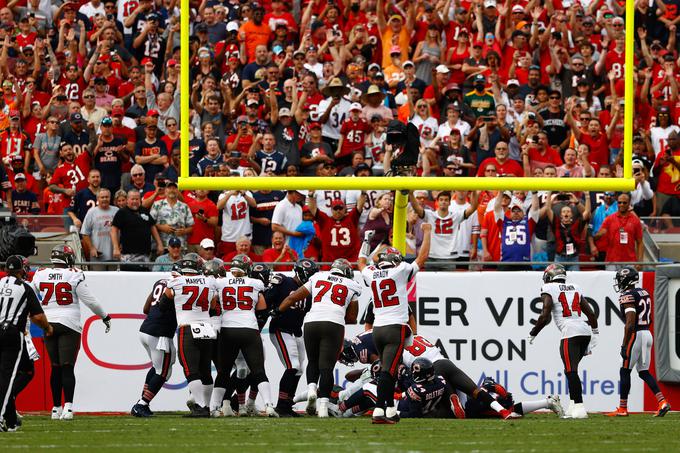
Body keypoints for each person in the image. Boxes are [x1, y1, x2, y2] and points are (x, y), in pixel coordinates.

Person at [357, 224, 431, 424]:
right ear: (395, 261)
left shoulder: (372, 273)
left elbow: (361, 262)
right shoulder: (400, 271)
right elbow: (422, 258)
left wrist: (366, 240)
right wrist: (427, 233)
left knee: (390, 368)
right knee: (388, 371)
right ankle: (379, 411)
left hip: (378, 329)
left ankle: (389, 409)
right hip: (394, 328)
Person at [32, 245, 111, 421]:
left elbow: (30, 295)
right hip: (69, 323)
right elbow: (90, 300)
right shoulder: (74, 273)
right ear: (67, 258)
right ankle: (68, 407)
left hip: (48, 323)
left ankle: (55, 408)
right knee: (67, 366)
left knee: (55, 367)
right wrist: (104, 316)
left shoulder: (41, 273)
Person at [276, 258, 361, 418]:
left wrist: (278, 311)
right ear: (347, 272)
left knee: (313, 361)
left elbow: (292, 298)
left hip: (311, 322)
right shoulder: (352, 285)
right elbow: (352, 318)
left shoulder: (317, 277)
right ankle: (322, 407)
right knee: (326, 368)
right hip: (333, 324)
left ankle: (311, 390)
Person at [208, 255, 278, 418]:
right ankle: (268, 406)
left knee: (223, 372)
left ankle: (214, 408)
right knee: (259, 371)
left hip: (228, 329)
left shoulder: (221, 283)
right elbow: (262, 307)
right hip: (249, 329)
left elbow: (213, 304)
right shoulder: (256, 283)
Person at [528, 264, 598, 419]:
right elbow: (591, 313)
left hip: (570, 332)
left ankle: (579, 408)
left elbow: (545, 315)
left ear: (549, 276)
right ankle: (573, 405)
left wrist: (533, 332)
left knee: (571, 370)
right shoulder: (575, 287)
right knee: (571, 370)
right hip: (585, 331)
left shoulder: (549, 289)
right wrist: (595, 333)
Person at [607, 267, 671, 418]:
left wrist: (624, 344)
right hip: (647, 333)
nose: (619, 282)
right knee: (643, 372)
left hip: (636, 334)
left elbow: (629, 323)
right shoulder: (643, 292)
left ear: (626, 280)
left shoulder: (627, 295)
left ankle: (622, 408)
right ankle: (662, 402)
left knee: (625, 371)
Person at [158, 253, 216, 417]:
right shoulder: (209, 281)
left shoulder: (176, 281)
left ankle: (200, 406)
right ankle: (206, 406)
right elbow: (213, 307)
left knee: (190, 369)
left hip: (187, 327)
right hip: (206, 327)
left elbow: (163, 304)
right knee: (205, 370)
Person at [0, 255, 52, 432]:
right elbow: (37, 316)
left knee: (23, 371)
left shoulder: (0, 284)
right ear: (22, 270)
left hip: (8, 332)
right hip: (12, 334)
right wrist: (47, 327)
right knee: (7, 377)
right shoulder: (24, 287)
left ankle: (11, 417)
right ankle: (4, 414)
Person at [264, 259, 318, 416]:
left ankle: (287, 403)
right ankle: (281, 405)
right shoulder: (284, 281)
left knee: (299, 370)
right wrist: (272, 310)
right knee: (292, 366)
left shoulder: (310, 290)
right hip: (281, 329)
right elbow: (267, 299)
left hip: (296, 331)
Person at [131, 272, 178, 417]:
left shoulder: (161, 282)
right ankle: (141, 404)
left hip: (145, 329)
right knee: (163, 372)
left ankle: (142, 401)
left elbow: (146, 308)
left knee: (159, 368)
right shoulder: (179, 285)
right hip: (160, 334)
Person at [411, 191, 478, 262]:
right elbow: (417, 208)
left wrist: (474, 191)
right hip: (432, 255)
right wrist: (411, 194)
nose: (443, 202)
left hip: (449, 257)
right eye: (441, 200)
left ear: (449, 203)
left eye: (446, 200)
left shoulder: (456, 216)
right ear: (437, 202)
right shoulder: (430, 214)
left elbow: (473, 207)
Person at [111, 189, 164, 271]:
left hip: (145, 255)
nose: (135, 201)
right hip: (128, 256)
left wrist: (159, 243)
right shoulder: (122, 213)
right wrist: (115, 247)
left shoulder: (144, 211)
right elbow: (114, 230)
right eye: (132, 199)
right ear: (128, 200)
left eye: (137, 199)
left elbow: (152, 226)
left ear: (140, 199)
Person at [592, 193, 643, 270]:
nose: (621, 204)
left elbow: (640, 242)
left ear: (629, 203)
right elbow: (597, 236)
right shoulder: (609, 219)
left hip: (630, 261)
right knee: (611, 282)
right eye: (619, 202)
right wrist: (597, 235)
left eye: (624, 202)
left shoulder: (635, 220)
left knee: (629, 282)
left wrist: (640, 261)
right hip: (612, 261)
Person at [80, 188, 118, 270]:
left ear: (110, 198)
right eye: (102, 197)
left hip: (114, 256)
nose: (105, 199)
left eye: (107, 197)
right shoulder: (91, 212)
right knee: (98, 281)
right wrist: (92, 248)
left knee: (114, 281)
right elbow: (84, 233)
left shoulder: (117, 211)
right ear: (97, 199)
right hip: (98, 256)